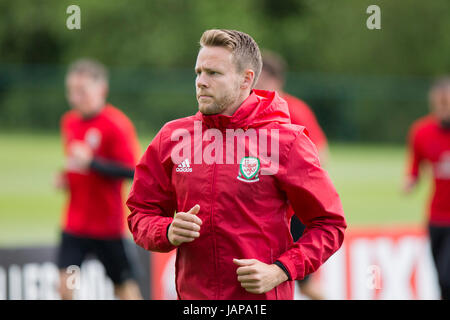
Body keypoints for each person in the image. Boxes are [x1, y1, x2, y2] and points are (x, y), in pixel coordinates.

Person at [127, 29, 346, 300]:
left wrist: (280, 270)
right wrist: (167, 230)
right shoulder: (172, 138)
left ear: (246, 79)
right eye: (198, 72)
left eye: (214, 73)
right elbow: (140, 213)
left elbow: (330, 224)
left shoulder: (286, 142)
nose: (201, 82)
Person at [55, 58, 143, 300]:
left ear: (101, 89)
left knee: (123, 288)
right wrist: (65, 178)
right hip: (75, 225)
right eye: (71, 91)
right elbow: (76, 166)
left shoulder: (116, 124)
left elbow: (132, 171)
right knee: (65, 285)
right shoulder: (69, 122)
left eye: (81, 91)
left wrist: (92, 163)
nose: (74, 98)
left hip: (107, 227)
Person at [255, 50, 328, 300]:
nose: (258, 86)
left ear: (277, 81)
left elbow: (320, 151)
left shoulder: (293, 110)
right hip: (268, 207)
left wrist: (301, 185)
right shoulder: (252, 110)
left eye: (263, 80)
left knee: (302, 282)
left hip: (293, 207)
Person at [404, 77, 450, 300]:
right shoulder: (422, 131)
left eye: (447, 104)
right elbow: (415, 167)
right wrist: (410, 181)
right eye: (439, 104)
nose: (443, 110)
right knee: (441, 280)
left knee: (447, 275)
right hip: (436, 216)